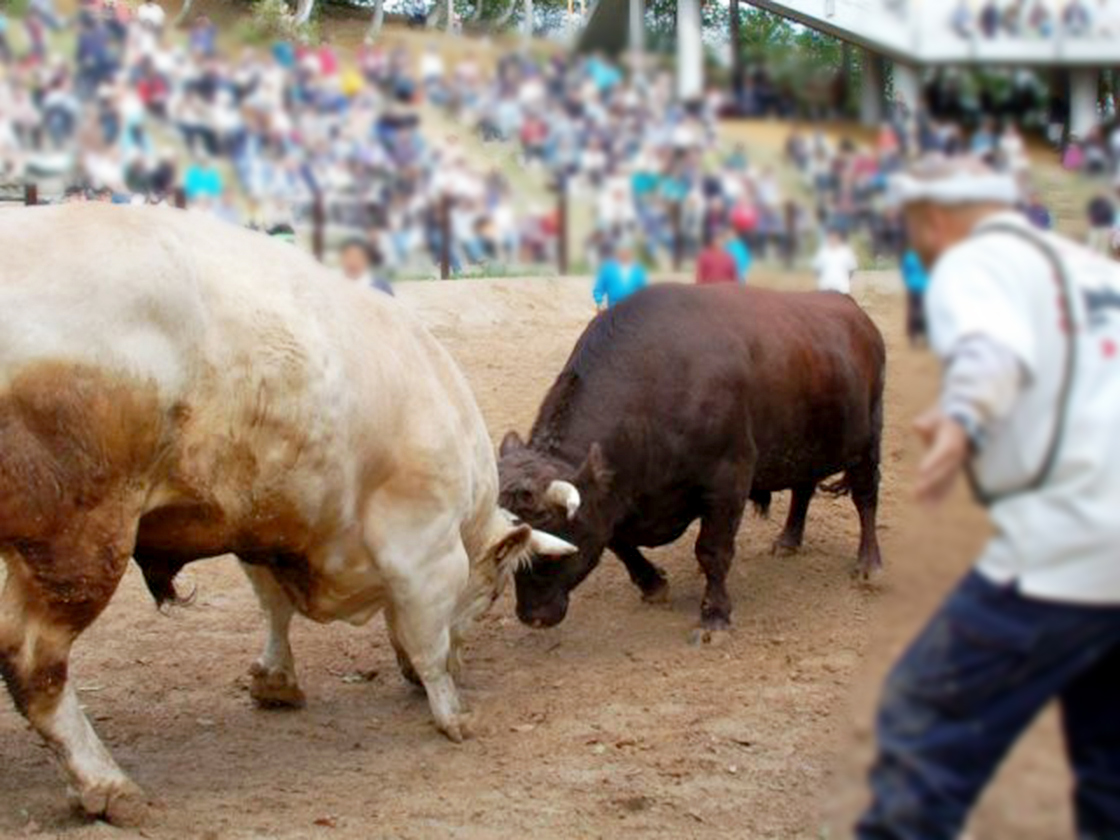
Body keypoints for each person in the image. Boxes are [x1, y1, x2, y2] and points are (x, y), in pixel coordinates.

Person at [857, 154, 1120, 840]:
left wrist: (963, 416)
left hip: (1065, 548)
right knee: (1108, 755)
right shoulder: (1090, 270)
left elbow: (987, 350)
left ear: (935, 220)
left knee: (923, 716)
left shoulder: (973, 262)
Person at [592, 243, 646, 309]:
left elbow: (643, 289)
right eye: (622, 251)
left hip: (633, 307)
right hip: (614, 307)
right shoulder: (608, 268)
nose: (624, 254)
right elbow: (599, 287)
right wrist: (599, 302)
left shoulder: (637, 269)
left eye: (627, 251)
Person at [812, 229, 858, 295]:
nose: (832, 239)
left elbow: (851, 269)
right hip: (825, 288)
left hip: (842, 289)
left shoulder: (846, 251)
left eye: (835, 237)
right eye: (830, 237)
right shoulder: (823, 251)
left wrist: (845, 280)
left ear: (839, 238)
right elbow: (816, 269)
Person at [900, 247, 929, 347]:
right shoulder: (926, 255)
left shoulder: (909, 257)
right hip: (925, 286)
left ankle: (913, 338)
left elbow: (904, 273)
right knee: (925, 312)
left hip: (912, 286)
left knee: (912, 312)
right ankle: (925, 336)